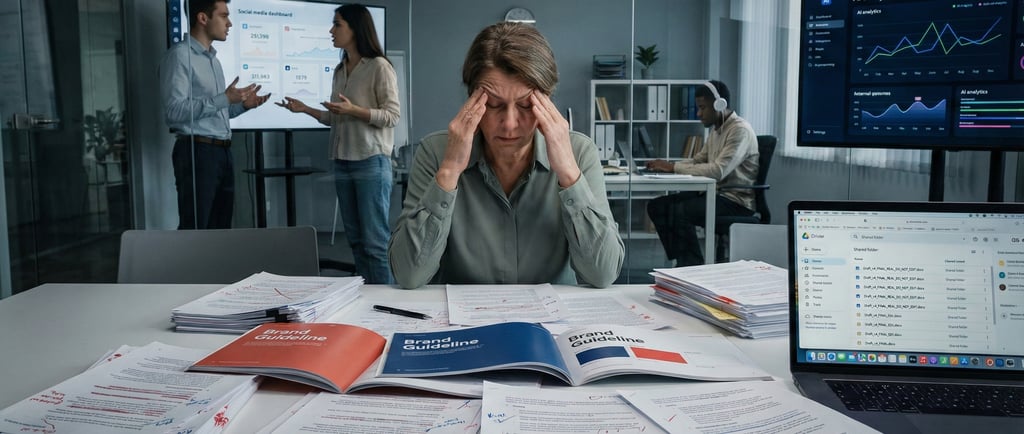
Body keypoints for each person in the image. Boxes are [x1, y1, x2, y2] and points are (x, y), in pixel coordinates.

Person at [388, 22, 624, 289]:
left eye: (525, 105)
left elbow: (602, 274)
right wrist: (450, 171)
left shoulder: (580, 153)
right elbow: (408, 275)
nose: (510, 124)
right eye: (493, 105)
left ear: (547, 101)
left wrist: (569, 173)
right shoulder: (435, 153)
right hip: (466, 323)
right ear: (471, 102)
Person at [276, 4, 399, 284]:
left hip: (370, 162)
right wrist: (305, 109)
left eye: (337, 24)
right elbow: (336, 118)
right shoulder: (340, 69)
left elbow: (392, 116)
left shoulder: (379, 67)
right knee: (355, 241)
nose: (331, 31)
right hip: (343, 163)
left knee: (375, 243)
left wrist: (355, 110)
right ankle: (366, 301)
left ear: (355, 29)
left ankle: (385, 302)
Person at [160, 0, 271, 229]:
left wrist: (242, 106)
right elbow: (174, 111)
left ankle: (216, 267)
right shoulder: (180, 56)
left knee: (220, 229)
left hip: (222, 152)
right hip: (196, 152)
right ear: (203, 18)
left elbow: (215, 111)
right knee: (197, 229)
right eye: (223, 16)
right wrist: (224, 99)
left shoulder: (214, 61)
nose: (229, 23)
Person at [644, 80, 759, 266]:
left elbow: (717, 170)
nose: (698, 114)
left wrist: (673, 168)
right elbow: (699, 160)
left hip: (735, 201)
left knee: (679, 211)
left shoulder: (740, 131)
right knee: (657, 206)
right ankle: (682, 260)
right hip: (714, 195)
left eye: (702, 108)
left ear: (719, 104)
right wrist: (667, 165)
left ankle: (691, 266)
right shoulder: (717, 131)